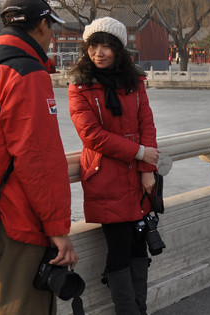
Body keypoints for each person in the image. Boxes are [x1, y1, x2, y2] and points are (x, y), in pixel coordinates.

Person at [0, 0, 77, 315]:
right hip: (16, 223)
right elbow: (38, 159)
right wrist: (58, 229)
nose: (52, 36)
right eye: (51, 27)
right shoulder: (26, 73)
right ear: (42, 26)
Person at [68, 17, 160, 315]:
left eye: (106, 47)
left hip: (137, 176)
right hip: (105, 176)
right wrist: (140, 153)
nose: (99, 53)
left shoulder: (134, 82)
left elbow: (146, 123)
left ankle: (139, 309)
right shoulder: (79, 86)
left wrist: (147, 168)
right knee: (119, 248)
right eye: (93, 46)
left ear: (119, 50)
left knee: (139, 246)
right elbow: (91, 136)